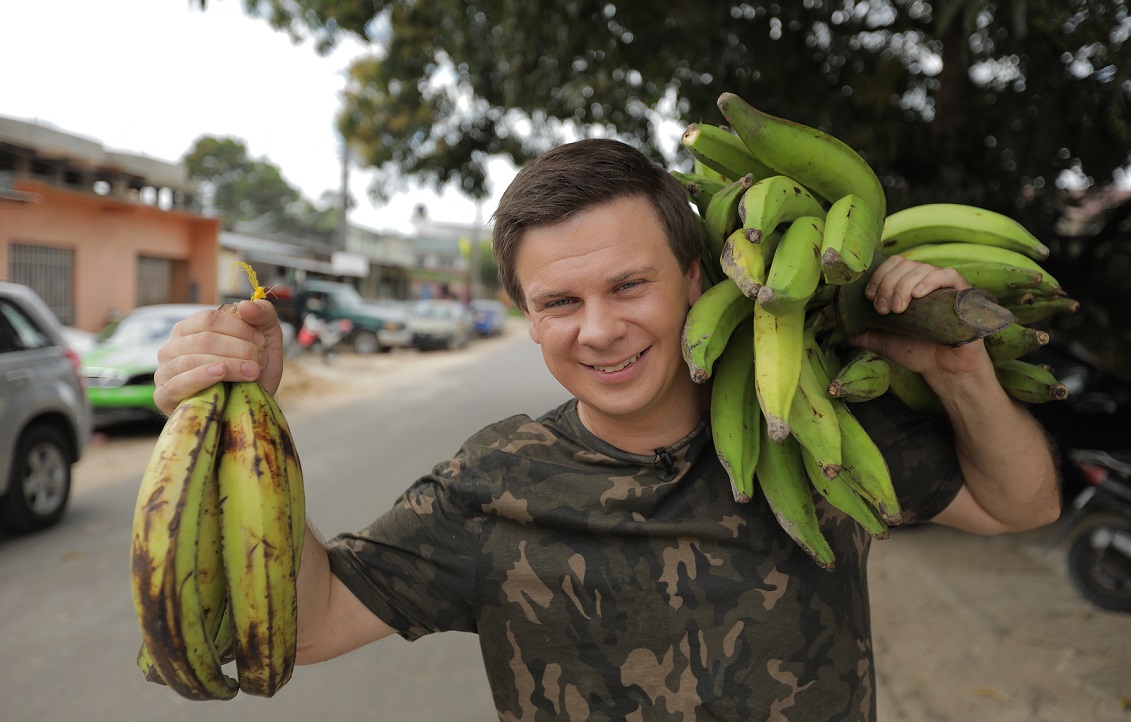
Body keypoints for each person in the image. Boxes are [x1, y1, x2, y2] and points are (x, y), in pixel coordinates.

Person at [154, 139, 1060, 720]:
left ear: (696, 278)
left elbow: (1019, 505)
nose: (598, 329)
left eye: (629, 285)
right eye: (560, 301)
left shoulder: (809, 430)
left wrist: (959, 372)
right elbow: (304, 627)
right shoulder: (491, 483)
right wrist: (244, 426)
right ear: (525, 313)